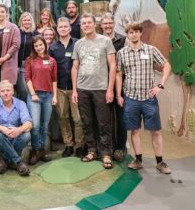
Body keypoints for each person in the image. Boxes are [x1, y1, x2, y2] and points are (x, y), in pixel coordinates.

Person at [116, 22, 172, 174]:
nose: (133, 34)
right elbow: (119, 74)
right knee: (134, 131)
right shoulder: (122, 53)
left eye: (136, 32)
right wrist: (118, 95)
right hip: (131, 98)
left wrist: (160, 85)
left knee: (156, 131)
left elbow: (167, 65)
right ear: (127, 35)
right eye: (130, 32)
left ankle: (160, 162)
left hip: (148, 98)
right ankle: (138, 160)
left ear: (141, 33)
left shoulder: (151, 49)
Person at [72, 13, 116, 169]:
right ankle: (91, 150)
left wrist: (110, 89)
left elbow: (113, 66)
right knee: (87, 122)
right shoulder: (78, 44)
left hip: (101, 89)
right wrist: (75, 91)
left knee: (104, 122)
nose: (86, 25)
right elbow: (75, 67)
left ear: (94, 24)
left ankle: (105, 153)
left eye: (89, 22)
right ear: (81, 26)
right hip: (83, 89)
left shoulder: (106, 41)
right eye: (83, 23)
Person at [49, 17, 85, 157]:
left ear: (70, 28)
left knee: (77, 118)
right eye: (60, 27)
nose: (63, 29)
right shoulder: (53, 48)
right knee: (63, 117)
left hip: (75, 88)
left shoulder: (78, 43)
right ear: (57, 29)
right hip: (60, 88)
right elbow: (51, 70)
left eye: (65, 26)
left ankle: (80, 146)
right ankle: (68, 144)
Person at [0, 80, 32, 176]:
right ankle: (18, 162)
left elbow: (29, 124)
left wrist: (18, 130)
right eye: (3, 91)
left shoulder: (20, 104)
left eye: (8, 90)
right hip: (2, 137)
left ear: (12, 91)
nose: (5, 93)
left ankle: (3, 160)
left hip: (16, 137)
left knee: (27, 135)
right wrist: (3, 129)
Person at [25, 36, 58, 164]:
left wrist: (54, 96)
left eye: (41, 44)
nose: (39, 47)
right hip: (35, 96)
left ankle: (41, 150)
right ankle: (35, 149)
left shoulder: (52, 61)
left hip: (48, 96)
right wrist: (33, 94)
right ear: (33, 47)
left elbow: (54, 79)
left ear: (45, 45)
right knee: (36, 125)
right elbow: (27, 78)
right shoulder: (30, 60)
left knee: (45, 126)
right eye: (36, 45)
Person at [101, 13, 127, 161]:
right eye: (105, 24)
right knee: (106, 118)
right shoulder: (99, 40)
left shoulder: (122, 40)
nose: (108, 26)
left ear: (114, 23)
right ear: (101, 26)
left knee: (121, 117)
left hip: (120, 84)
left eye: (110, 23)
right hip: (103, 83)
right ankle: (108, 146)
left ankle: (120, 147)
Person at [16, 12, 39, 102]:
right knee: (22, 90)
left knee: (33, 88)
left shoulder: (36, 33)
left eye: (28, 20)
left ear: (32, 21)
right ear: (21, 22)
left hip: (34, 64)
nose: (26, 22)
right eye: (24, 20)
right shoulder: (18, 33)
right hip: (20, 64)